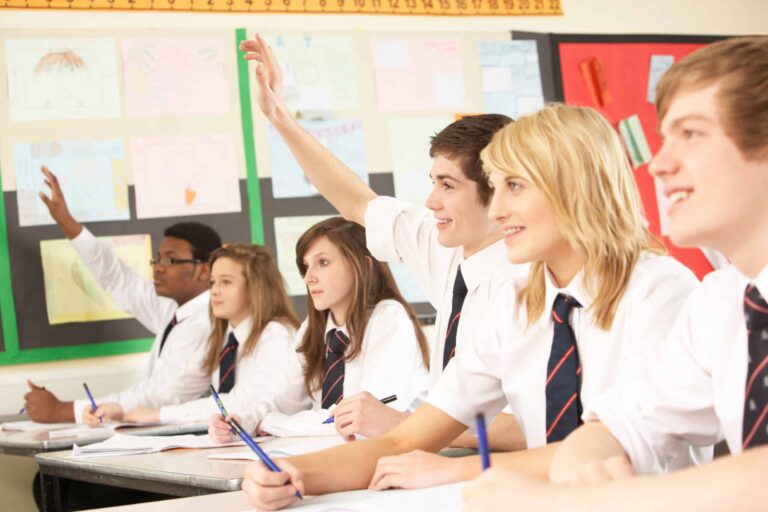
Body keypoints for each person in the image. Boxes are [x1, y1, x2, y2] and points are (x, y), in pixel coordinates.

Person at [239, 103, 703, 510]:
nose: (497, 211)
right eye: (495, 188)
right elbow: (406, 438)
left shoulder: (658, 290)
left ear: (571, 187)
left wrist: (458, 472)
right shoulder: (517, 303)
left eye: (514, 187)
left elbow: (610, 450)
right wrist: (295, 473)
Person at [463, 36, 768, 512]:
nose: (660, 164)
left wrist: (585, 500)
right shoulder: (722, 301)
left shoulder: (668, 288)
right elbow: (619, 427)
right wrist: (588, 469)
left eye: (691, 134)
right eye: (664, 138)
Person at [240, 33, 525, 449]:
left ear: (496, 189)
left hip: (487, 468)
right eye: (433, 183)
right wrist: (280, 117)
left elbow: (531, 428)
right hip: (435, 457)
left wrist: (405, 425)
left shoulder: (528, 280)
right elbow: (356, 201)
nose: (431, 201)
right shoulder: (444, 245)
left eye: (447, 185)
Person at [24, 166, 219, 424]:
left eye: (171, 260)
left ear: (203, 270)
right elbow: (118, 278)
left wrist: (65, 411)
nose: (159, 267)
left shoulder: (207, 322)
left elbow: (163, 393)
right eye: (157, 258)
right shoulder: (173, 310)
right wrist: (68, 223)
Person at [209, 217, 430, 441]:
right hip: (329, 450)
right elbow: (282, 399)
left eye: (323, 262)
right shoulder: (313, 329)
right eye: (306, 266)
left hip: (398, 453)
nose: (308, 278)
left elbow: (361, 423)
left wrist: (273, 422)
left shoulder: (388, 317)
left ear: (363, 265)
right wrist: (242, 423)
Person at [89, 243, 305, 431]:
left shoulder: (277, 335)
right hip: (231, 440)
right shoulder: (223, 337)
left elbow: (240, 403)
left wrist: (159, 416)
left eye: (226, 282)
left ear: (256, 288)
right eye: (212, 282)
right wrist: (120, 408)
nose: (215, 291)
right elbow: (177, 387)